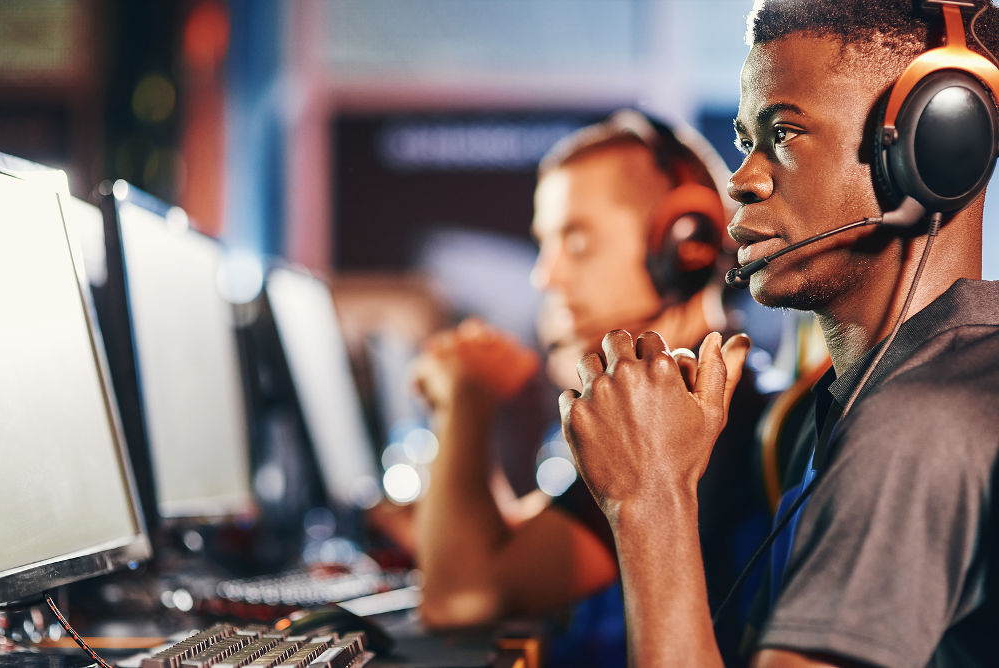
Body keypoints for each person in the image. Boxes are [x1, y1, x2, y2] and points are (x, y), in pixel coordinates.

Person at [558, 1, 999, 665]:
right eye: (746, 141)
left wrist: (649, 497)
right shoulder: (843, 408)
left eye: (784, 134)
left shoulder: (922, 421)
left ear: (934, 146)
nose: (741, 181)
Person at [411, 110, 771, 663]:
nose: (546, 276)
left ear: (685, 246)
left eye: (576, 243)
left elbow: (462, 596)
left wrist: (467, 394)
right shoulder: (673, 390)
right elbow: (506, 545)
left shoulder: (697, 410)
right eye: (545, 244)